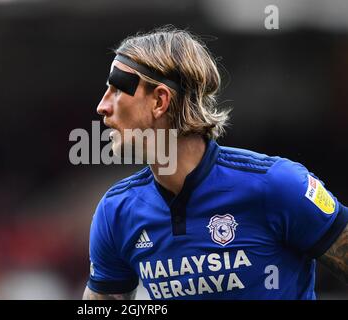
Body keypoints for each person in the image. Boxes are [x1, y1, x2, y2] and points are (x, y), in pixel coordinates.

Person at [83, 27, 348, 300]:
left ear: (160, 101)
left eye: (116, 90)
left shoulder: (278, 185)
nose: (102, 106)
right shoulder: (116, 211)